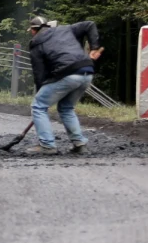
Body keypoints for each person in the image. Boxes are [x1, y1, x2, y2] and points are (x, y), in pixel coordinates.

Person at [25, 16, 103, 155]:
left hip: (68, 74)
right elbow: (89, 24)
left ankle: (47, 145)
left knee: (38, 106)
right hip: (87, 71)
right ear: (48, 26)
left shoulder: (36, 43)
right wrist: (94, 47)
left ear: (33, 30)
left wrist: (40, 93)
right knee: (66, 107)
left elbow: (39, 73)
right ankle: (80, 144)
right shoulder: (66, 29)